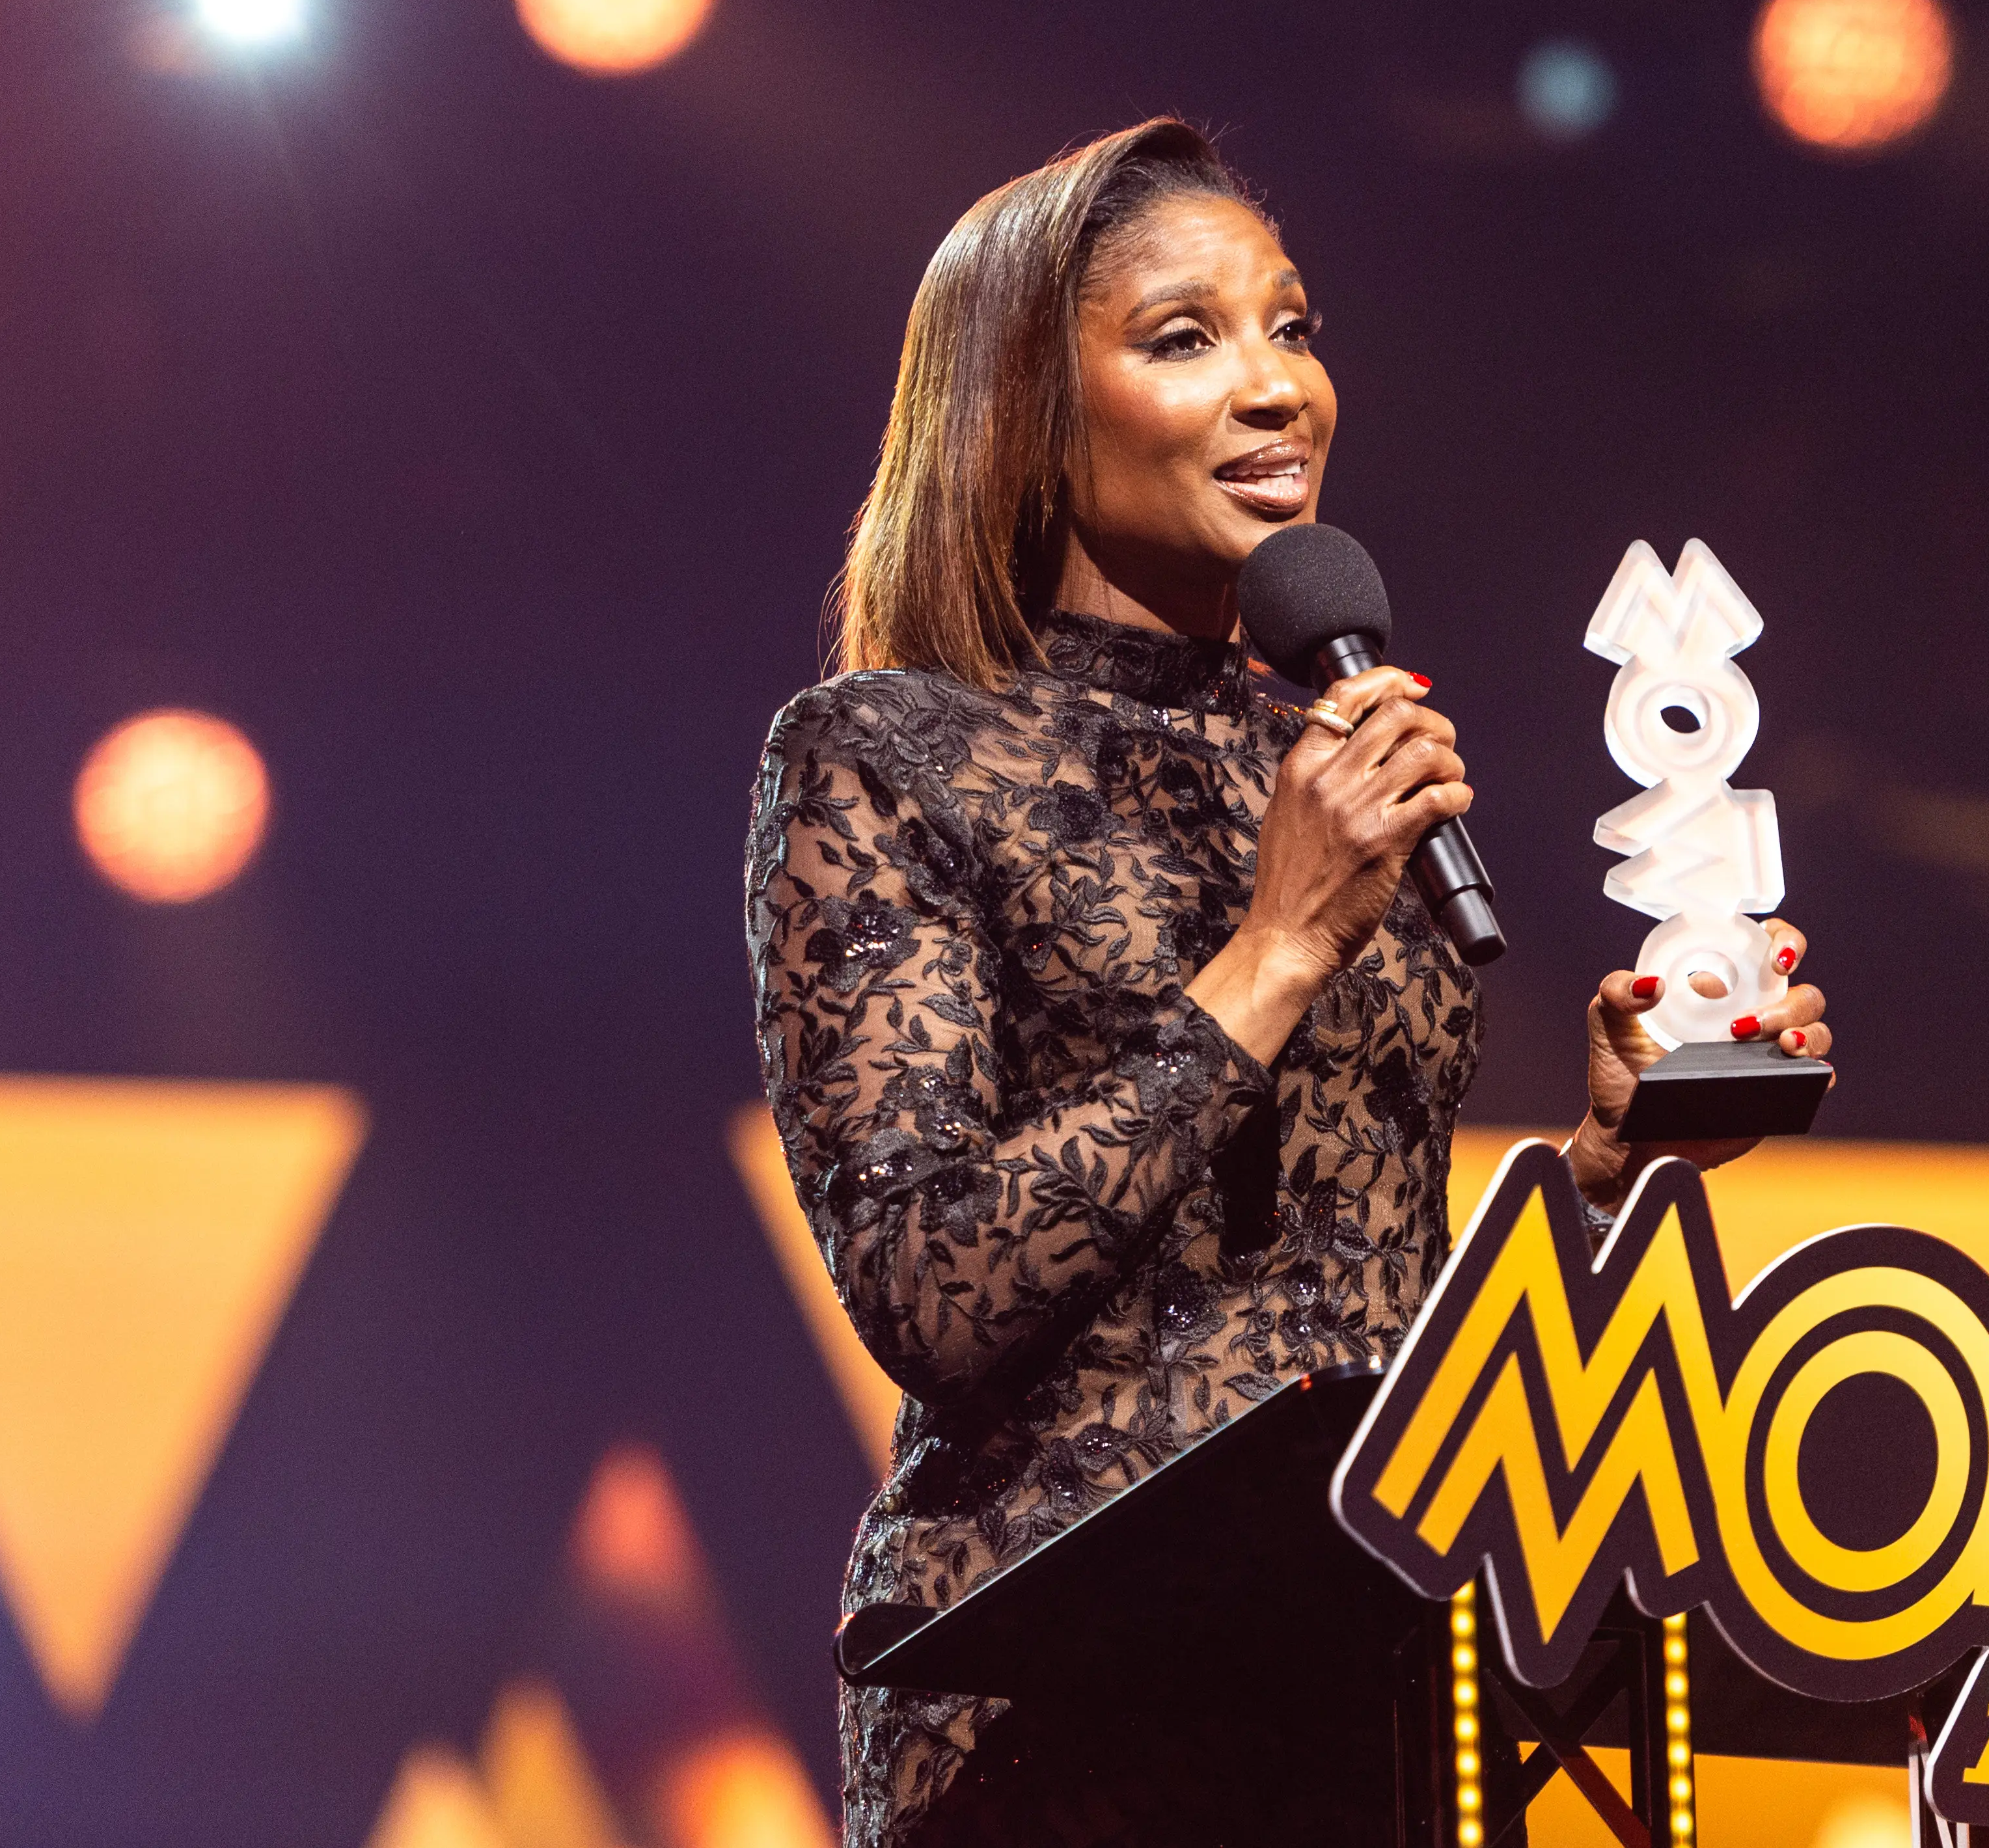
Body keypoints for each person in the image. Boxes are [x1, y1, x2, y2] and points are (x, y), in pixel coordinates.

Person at [744, 118, 1833, 1848]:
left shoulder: (1319, 756)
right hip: (1058, 1710)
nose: (1277, 389)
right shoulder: (889, 755)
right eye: (1186, 338)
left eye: (1295, 328)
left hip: (1366, 1671)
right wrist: (1275, 950)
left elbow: (1353, 1296)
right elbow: (926, 1282)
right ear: (1027, 406)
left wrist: (1595, 1174)